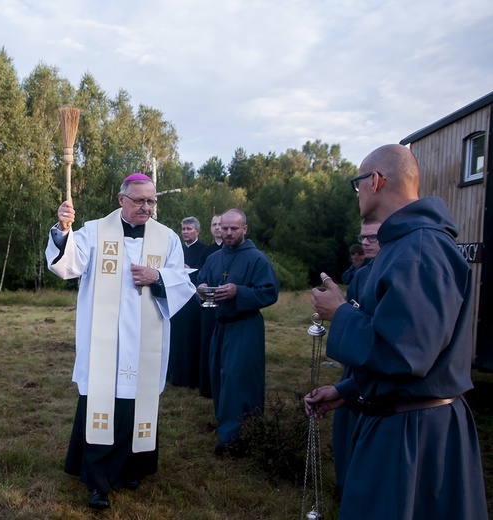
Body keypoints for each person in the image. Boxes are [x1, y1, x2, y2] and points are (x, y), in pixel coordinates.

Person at [305, 144, 487, 519]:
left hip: (414, 436)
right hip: (397, 420)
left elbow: (407, 355)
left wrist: (339, 314)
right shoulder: (401, 246)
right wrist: (347, 390)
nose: (358, 194)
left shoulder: (420, 250)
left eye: (358, 184)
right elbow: (398, 337)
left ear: (375, 181)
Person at [46, 173, 195, 510]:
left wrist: (158, 277)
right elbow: (68, 265)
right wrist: (64, 233)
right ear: (121, 199)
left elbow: (182, 281)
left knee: (134, 407)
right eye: (139, 201)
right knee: (101, 408)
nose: (147, 207)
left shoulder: (167, 238)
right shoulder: (96, 232)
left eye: (151, 201)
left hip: (145, 341)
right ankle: (97, 483)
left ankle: (131, 470)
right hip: (105, 344)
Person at [197, 209, 279, 455]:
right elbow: (202, 280)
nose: (229, 232)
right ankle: (226, 426)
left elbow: (269, 292)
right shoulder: (214, 258)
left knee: (238, 380)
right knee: (220, 378)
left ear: (245, 229)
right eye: (224, 228)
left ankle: (239, 438)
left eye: (234, 228)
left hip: (245, 326)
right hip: (220, 325)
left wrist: (238, 292)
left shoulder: (256, 259)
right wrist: (200, 287)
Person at [332, 218, 380, 496]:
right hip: (356, 363)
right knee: (347, 424)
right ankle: (345, 482)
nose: (365, 243)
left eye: (372, 237)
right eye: (363, 237)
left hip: (377, 361)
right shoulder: (361, 275)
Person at [168, 216, 207, 388]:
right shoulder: (177, 248)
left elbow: (204, 271)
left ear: (197, 231)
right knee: (175, 337)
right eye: (183, 229)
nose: (185, 232)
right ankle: (174, 374)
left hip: (194, 299)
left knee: (191, 337)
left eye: (189, 229)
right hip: (176, 298)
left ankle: (191, 375)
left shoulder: (204, 250)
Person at [198, 214, 223, 398]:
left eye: (220, 224)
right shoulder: (208, 252)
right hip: (209, 305)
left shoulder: (242, 253)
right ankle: (207, 386)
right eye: (213, 224)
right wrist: (202, 285)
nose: (217, 228)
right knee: (208, 344)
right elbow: (201, 275)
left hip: (230, 309)